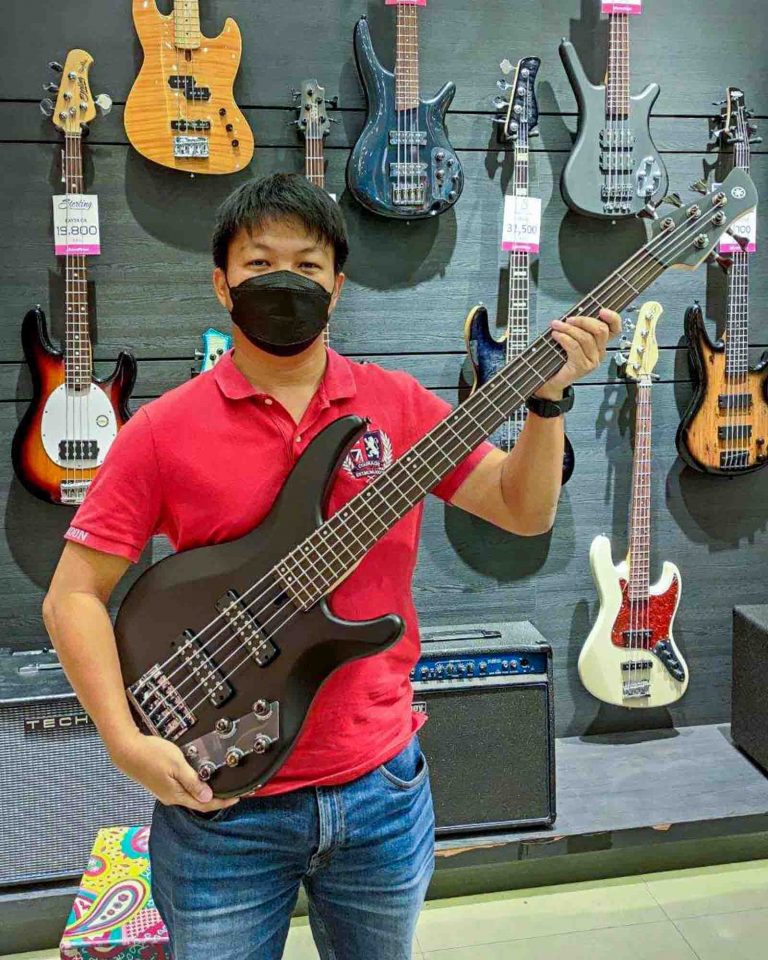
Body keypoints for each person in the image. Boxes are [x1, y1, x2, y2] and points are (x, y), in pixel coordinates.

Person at [43, 173, 621, 960]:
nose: (284, 282)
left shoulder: (397, 405)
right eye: (259, 264)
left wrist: (546, 403)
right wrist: (122, 741)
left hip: (380, 788)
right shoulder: (161, 431)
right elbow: (73, 596)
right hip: (220, 809)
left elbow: (523, 511)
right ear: (221, 284)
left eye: (308, 266)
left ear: (338, 287)